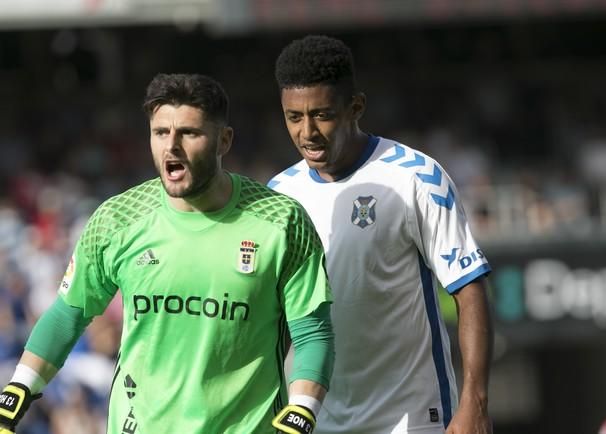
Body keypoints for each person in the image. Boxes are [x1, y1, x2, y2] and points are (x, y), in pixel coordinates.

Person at [0, 73, 334, 434]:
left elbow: (313, 333)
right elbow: (68, 315)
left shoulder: (282, 221)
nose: (171, 146)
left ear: (224, 140)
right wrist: (18, 389)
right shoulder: (117, 219)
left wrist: (302, 411)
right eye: (160, 132)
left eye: (189, 133)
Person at [268, 35, 493, 434]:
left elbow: (468, 288)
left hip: (413, 417)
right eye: (294, 117)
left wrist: (474, 401)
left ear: (355, 107)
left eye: (322, 114)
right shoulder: (279, 197)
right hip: (318, 421)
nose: (308, 132)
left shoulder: (416, 177)